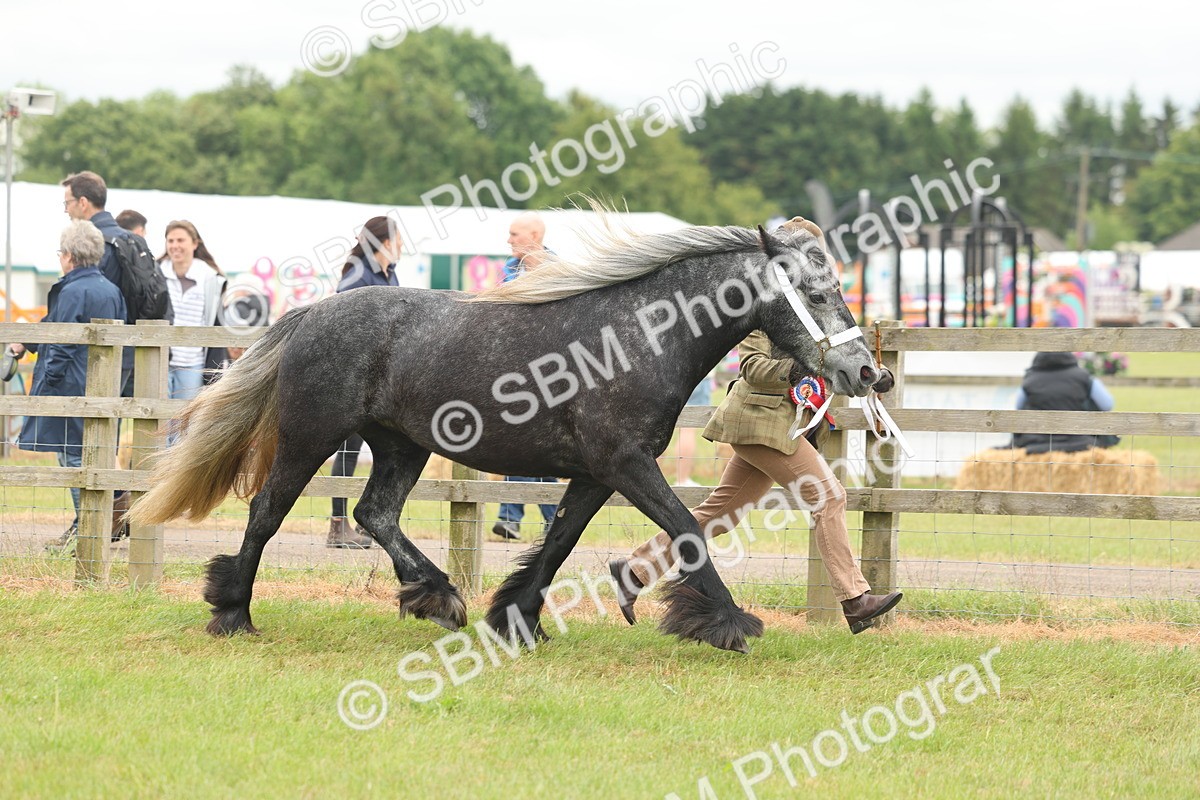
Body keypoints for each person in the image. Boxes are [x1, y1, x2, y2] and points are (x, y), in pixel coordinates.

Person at [609, 217, 903, 635]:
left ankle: (634, 571)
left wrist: (872, 375)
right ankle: (855, 599)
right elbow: (752, 367)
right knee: (829, 498)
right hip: (759, 422)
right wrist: (798, 373)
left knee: (718, 515)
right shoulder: (767, 300)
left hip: (780, 426)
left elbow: (835, 355)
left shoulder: (815, 304)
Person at [9, 221, 126, 550]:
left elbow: (61, 341)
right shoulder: (109, 289)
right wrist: (28, 342)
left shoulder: (72, 290)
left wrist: (48, 381)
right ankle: (93, 525)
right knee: (91, 457)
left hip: (69, 387)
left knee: (74, 460)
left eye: (61, 252)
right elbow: (53, 325)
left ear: (69, 255)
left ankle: (87, 531)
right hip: (99, 384)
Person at [327, 216, 405, 549]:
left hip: (381, 380)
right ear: (385, 243)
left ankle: (369, 520)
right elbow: (345, 322)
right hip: (356, 377)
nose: (401, 244)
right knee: (348, 450)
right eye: (398, 239)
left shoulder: (388, 274)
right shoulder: (358, 276)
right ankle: (337, 525)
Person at [491, 212, 559, 541]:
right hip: (516, 371)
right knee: (527, 447)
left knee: (536, 449)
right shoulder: (508, 271)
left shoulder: (562, 273)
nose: (509, 240)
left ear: (534, 236)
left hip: (550, 373)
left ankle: (513, 516)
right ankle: (540, 520)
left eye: (515, 234)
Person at [156, 220, 226, 404]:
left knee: (184, 422)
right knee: (158, 420)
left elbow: (216, 324)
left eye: (180, 240)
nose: (175, 246)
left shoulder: (211, 279)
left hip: (193, 362)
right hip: (161, 359)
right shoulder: (156, 275)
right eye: (170, 241)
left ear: (194, 244)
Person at [1010, 352, 1118, 453]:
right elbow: (1107, 405)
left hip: (1035, 442)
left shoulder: (1029, 379)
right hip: (1080, 441)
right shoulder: (1084, 377)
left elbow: (1018, 407)